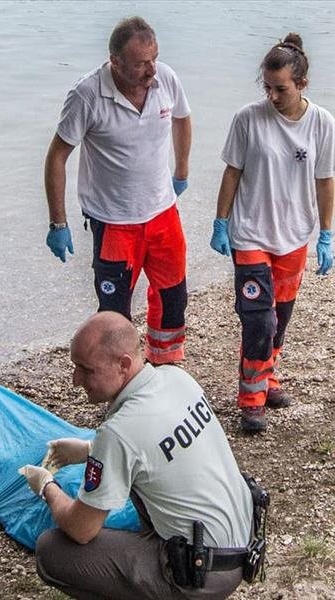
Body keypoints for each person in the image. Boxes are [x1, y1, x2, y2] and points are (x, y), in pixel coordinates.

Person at [19, 312, 257, 599]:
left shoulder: (119, 433)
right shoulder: (175, 377)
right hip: (245, 542)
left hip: (202, 573)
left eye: (85, 369)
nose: (75, 380)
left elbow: (82, 529)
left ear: (123, 364)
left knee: (51, 552)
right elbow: (153, 447)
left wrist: (46, 486)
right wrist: (88, 451)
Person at [44, 17, 193, 365]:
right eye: (141, 63)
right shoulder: (87, 95)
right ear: (115, 62)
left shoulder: (165, 79)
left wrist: (181, 171)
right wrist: (58, 223)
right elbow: (56, 157)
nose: (151, 69)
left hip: (162, 214)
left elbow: (183, 119)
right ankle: (120, 379)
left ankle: (165, 365)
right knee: (114, 315)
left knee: (173, 297)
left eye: (154, 58)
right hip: (113, 223)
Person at [209, 33, 334, 433]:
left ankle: (269, 378)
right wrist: (221, 221)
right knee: (258, 320)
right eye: (267, 87)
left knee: (279, 317)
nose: (273, 96)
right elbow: (233, 171)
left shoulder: (322, 123)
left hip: (294, 234)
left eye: (280, 89)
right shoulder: (248, 119)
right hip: (250, 235)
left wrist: (326, 233)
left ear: (301, 85)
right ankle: (250, 398)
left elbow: (325, 181)